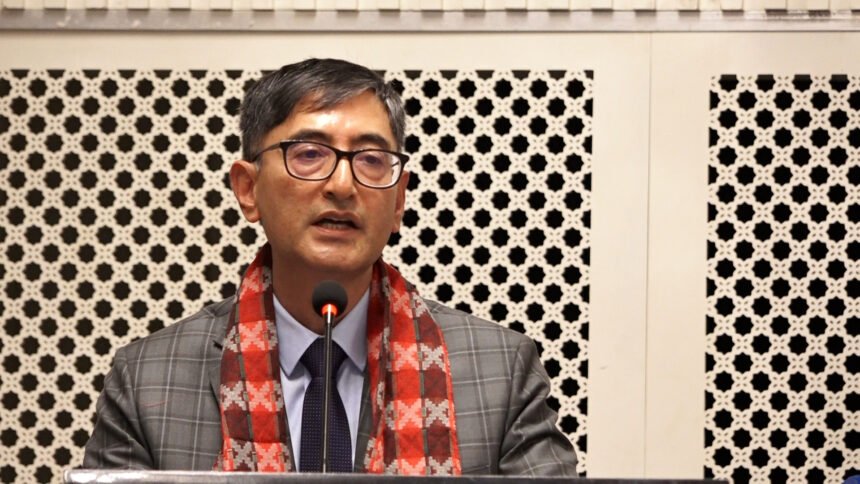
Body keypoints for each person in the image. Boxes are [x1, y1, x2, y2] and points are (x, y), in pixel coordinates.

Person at [83, 58, 578, 476]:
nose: (342, 185)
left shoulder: (499, 370)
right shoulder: (149, 380)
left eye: (371, 159)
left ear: (399, 200)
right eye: (309, 154)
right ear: (248, 189)